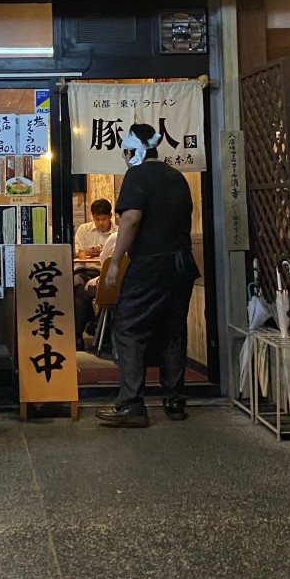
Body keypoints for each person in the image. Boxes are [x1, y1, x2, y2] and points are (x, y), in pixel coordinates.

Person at [95, 124, 200, 428]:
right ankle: (175, 400)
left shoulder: (137, 175)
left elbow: (131, 218)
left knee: (128, 328)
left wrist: (115, 262)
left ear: (133, 152)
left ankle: (131, 405)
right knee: (172, 330)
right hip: (182, 264)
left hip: (150, 264)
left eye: (125, 153)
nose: (125, 159)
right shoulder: (176, 177)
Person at [72, 198, 117, 349]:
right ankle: (78, 334)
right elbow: (79, 253)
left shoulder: (118, 232)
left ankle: (95, 323)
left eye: (104, 219)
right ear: (92, 217)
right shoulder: (84, 230)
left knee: (107, 293)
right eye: (97, 219)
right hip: (85, 270)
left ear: (110, 216)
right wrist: (91, 252)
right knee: (77, 285)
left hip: (107, 272)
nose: (101, 223)